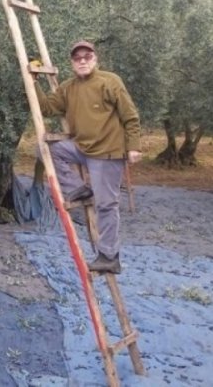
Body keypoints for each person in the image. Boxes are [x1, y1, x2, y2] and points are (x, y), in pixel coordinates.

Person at [34, 40, 142, 274]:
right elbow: (46, 108)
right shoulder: (68, 87)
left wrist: (133, 146)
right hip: (82, 148)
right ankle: (78, 188)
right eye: (77, 58)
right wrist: (33, 81)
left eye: (87, 57)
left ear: (95, 59)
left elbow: (130, 115)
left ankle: (109, 256)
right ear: (72, 63)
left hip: (108, 153)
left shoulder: (109, 81)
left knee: (106, 205)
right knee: (47, 150)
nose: (82, 61)